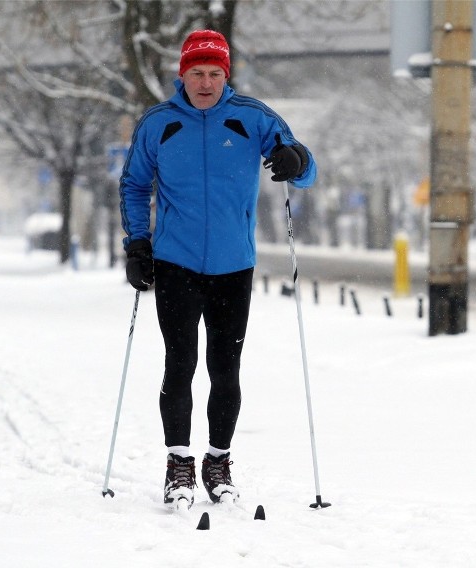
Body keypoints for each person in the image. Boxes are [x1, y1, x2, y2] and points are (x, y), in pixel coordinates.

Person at [118, 29, 317, 510]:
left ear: (225, 75)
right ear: (181, 75)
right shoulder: (158, 124)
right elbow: (133, 185)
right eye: (196, 73)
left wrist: (296, 159)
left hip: (233, 266)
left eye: (214, 73)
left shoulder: (252, 117)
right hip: (175, 264)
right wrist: (137, 245)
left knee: (225, 369)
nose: (205, 82)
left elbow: (305, 168)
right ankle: (179, 464)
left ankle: (218, 461)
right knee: (180, 364)